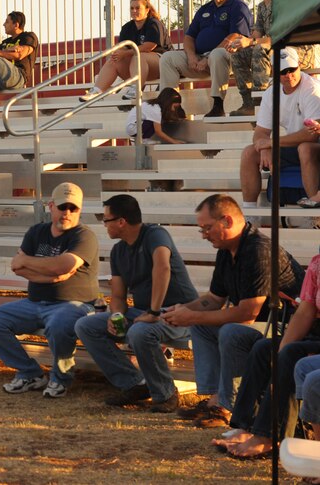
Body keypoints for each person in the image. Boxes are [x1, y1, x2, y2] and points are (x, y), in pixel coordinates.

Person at [162, 194, 304, 428]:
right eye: (201, 230)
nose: (204, 235)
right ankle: (215, 398)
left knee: (231, 332)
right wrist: (182, 310)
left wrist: (192, 315)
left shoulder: (259, 250)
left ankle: (229, 407)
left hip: (289, 327)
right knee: (202, 326)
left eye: (207, 228)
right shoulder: (227, 250)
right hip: (262, 324)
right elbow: (214, 299)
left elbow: (247, 313)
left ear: (227, 220)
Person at [75, 194, 198, 412]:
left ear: (121, 221)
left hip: (181, 313)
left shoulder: (155, 234)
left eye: (106, 220)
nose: (104, 225)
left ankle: (165, 393)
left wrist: (152, 311)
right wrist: (116, 316)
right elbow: (119, 296)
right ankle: (136, 384)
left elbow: (162, 268)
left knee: (140, 332)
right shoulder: (118, 250)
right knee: (86, 326)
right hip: (142, 312)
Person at [0, 182, 99, 398]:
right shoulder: (37, 231)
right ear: (51, 206)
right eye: (62, 207)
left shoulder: (84, 236)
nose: (67, 213)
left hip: (74, 304)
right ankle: (30, 373)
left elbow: (63, 266)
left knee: (59, 323)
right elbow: (17, 266)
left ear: (80, 210)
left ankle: (60, 378)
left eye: (73, 208)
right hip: (34, 303)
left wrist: (31, 262)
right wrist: (51, 274)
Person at [212, 252, 320, 459]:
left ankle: (269, 438)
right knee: (264, 349)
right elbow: (305, 311)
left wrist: (285, 352)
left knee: (290, 354)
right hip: (316, 333)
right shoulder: (317, 263)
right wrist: (281, 350)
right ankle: (246, 426)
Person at [158, 0, 252, 117]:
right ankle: (170, 108)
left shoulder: (238, 7)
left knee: (216, 54)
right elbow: (189, 37)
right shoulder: (204, 9)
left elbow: (236, 35)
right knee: (168, 58)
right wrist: (191, 56)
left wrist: (207, 58)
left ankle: (218, 106)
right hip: (200, 59)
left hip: (229, 59)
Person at [238, 48, 320, 213]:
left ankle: (314, 214)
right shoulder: (271, 93)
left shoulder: (311, 88)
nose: (288, 75)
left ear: (299, 66)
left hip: (312, 145)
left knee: (305, 148)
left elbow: (311, 135)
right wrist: (265, 147)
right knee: (249, 153)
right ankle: (250, 215)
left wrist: (270, 143)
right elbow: (260, 133)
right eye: (283, 71)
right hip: (293, 146)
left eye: (292, 69)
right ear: (275, 73)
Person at [227, 0, 315, 116]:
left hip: (299, 51)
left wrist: (251, 41)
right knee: (239, 55)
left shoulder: (285, 4)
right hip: (276, 49)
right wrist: (241, 43)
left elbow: (282, 37)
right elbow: (257, 34)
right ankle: (248, 103)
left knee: (260, 49)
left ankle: (261, 102)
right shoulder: (262, 7)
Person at [81, 0, 172, 102]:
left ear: (147, 10)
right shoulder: (127, 27)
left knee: (139, 56)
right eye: (132, 8)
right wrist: (118, 53)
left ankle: (135, 89)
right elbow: (123, 48)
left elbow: (149, 46)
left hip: (162, 63)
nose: (134, 11)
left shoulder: (154, 24)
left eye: (138, 8)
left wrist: (125, 53)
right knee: (115, 59)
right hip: (139, 67)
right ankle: (96, 91)